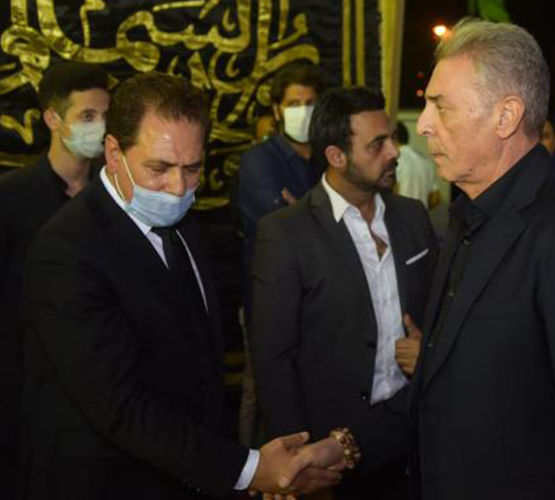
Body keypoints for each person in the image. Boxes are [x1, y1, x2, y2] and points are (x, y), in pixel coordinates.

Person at [295, 17, 555, 500]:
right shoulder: (467, 218)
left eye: (441, 106)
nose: (424, 125)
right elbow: (441, 388)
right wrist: (345, 446)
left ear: (506, 116)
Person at [20, 72, 341, 500]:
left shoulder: (183, 224)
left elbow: (201, 371)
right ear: (114, 153)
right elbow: (119, 406)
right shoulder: (66, 250)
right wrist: (247, 470)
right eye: (159, 168)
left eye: (193, 169)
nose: (177, 188)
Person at [251, 87, 438, 499]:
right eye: (377, 144)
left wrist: (428, 349)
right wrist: (299, 460)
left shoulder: (412, 218)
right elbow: (273, 358)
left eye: (392, 138)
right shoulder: (286, 233)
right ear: (336, 156)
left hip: (411, 431)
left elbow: (441, 312)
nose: (394, 152)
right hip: (330, 451)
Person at [0, 61, 109, 499]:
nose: (99, 127)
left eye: (105, 116)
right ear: (52, 118)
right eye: (87, 116)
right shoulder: (11, 197)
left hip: (102, 383)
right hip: (27, 387)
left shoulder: (115, 196)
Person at [235, 60, 326, 448]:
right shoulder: (258, 161)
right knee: (262, 391)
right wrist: (323, 215)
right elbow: (280, 228)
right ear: (276, 109)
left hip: (320, 299)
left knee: (310, 388)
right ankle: (251, 469)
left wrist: (300, 209)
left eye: (310, 103)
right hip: (269, 300)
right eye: (293, 104)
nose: (302, 111)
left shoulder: (328, 156)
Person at [395, 120, 440, 210]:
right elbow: (435, 198)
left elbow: (393, 191)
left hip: (399, 215)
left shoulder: (395, 160)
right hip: (421, 216)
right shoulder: (426, 161)